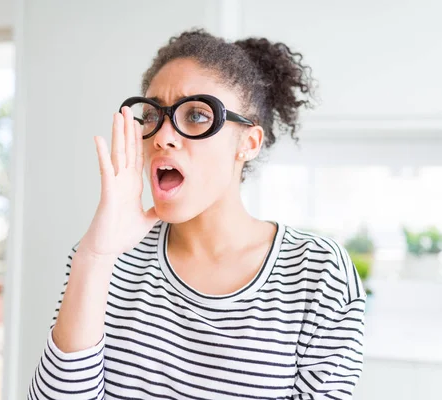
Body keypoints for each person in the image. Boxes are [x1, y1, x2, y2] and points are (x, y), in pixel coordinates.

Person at [28, 29, 366, 400]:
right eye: (152, 115)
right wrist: (94, 258)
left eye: (197, 115)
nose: (162, 136)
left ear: (248, 143)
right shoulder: (108, 259)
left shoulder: (318, 272)